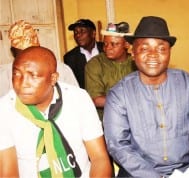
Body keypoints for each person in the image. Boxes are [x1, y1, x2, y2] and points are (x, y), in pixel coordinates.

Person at [103, 16, 189, 178]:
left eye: (161, 48)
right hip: (138, 175)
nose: (153, 55)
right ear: (133, 52)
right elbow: (119, 146)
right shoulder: (119, 94)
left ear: (169, 52)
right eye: (144, 48)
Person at [0, 46, 112, 177]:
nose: (23, 83)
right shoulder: (4, 110)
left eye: (33, 76)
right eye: (16, 74)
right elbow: (8, 173)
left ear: (53, 78)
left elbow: (99, 158)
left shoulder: (78, 99)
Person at [0, 20, 78, 97]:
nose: (28, 60)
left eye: (33, 53)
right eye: (23, 56)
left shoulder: (61, 69)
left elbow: (76, 99)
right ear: (13, 53)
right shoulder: (4, 74)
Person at [85, 21, 136, 120]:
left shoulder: (136, 63)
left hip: (136, 120)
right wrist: (132, 102)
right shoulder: (95, 64)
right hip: (107, 121)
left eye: (114, 44)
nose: (107, 48)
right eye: (105, 43)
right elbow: (96, 99)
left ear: (126, 45)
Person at [64, 19, 104, 89]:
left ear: (93, 33)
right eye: (75, 32)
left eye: (82, 31)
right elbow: (72, 85)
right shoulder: (70, 57)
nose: (78, 35)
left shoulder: (106, 49)